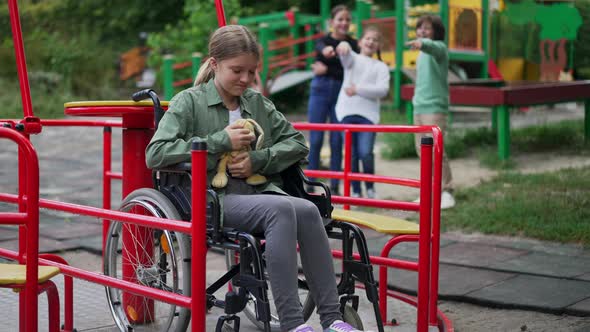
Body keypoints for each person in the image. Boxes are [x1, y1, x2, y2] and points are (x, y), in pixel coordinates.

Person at [146, 25, 367, 332]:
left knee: (307, 209)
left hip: (258, 192)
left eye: (251, 72)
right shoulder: (189, 102)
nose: (246, 79)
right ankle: (293, 324)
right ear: (214, 64)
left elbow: (298, 144)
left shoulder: (257, 103)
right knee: (281, 210)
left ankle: (332, 320)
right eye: (237, 70)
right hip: (212, 199)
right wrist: (220, 141)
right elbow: (155, 154)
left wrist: (257, 160)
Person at [307, 5, 359, 196]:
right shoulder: (324, 41)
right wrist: (328, 54)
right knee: (316, 137)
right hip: (320, 90)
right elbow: (321, 48)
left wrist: (327, 69)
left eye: (347, 19)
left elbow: (351, 70)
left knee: (337, 138)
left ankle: (335, 184)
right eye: (340, 19)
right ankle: (310, 182)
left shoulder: (354, 45)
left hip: (342, 93)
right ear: (331, 22)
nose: (344, 23)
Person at [406, 15, 455, 209]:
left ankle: (447, 191)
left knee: (436, 150)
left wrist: (423, 42)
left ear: (436, 31)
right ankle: (429, 193)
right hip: (419, 106)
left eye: (427, 28)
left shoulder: (439, 49)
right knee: (422, 151)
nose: (422, 31)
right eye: (420, 28)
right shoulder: (421, 54)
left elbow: (432, 47)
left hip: (435, 107)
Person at [334, 26, 390, 199]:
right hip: (346, 112)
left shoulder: (381, 67)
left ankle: (370, 187)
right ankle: (356, 191)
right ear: (360, 42)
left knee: (365, 152)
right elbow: (345, 55)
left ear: (379, 45)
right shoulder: (353, 60)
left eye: (375, 40)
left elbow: (382, 90)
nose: (371, 42)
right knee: (351, 154)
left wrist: (358, 89)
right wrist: (343, 44)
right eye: (368, 38)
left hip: (368, 116)